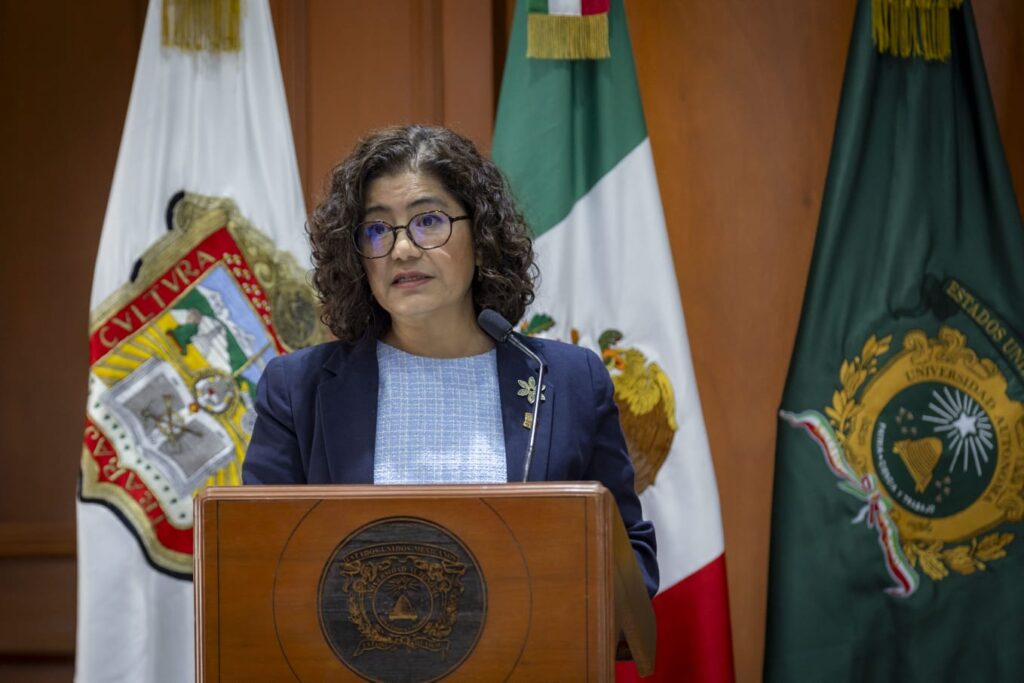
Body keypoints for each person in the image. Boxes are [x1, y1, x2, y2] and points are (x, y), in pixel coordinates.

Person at [242, 125, 658, 597]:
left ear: (480, 236)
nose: (402, 249)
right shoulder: (298, 389)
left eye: (429, 221)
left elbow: (631, 557)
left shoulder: (570, 380)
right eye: (377, 230)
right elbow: (257, 560)